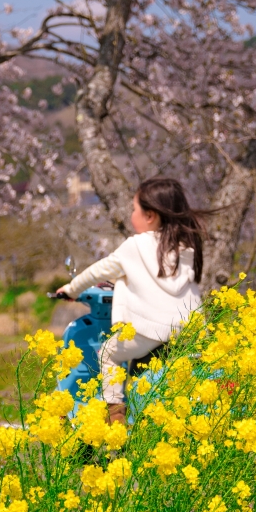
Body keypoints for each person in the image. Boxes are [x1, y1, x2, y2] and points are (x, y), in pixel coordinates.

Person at [54, 176, 206, 423]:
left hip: (151, 331)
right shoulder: (185, 247)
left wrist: (71, 289)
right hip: (190, 330)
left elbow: (98, 272)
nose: (131, 215)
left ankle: (115, 415)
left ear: (150, 216)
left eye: (134, 209)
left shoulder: (134, 246)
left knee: (108, 353)